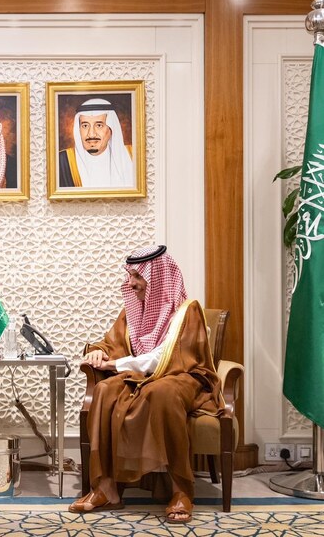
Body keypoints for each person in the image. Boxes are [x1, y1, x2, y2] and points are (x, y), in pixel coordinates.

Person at [69, 245, 224, 524]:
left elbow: (163, 358)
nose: (131, 283)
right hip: (142, 376)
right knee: (104, 390)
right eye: (130, 276)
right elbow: (113, 342)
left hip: (182, 375)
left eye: (138, 276)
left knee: (161, 392)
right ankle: (106, 488)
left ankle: (180, 490)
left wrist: (114, 365)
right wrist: (98, 352)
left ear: (158, 277)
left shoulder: (187, 312)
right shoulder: (132, 310)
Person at [59, 98, 134, 189]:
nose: (91, 134)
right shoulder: (61, 161)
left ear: (111, 129)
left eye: (99, 125)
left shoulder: (133, 156)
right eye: (85, 126)